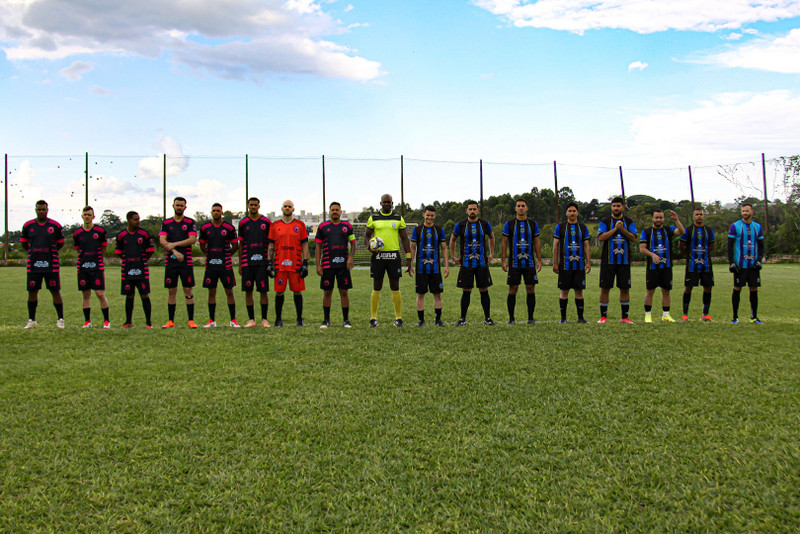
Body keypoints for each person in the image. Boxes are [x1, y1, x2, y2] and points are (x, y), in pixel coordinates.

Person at [364, 194, 412, 327]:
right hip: (378, 256)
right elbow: (367, 236)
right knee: (377, 286)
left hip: (393, 256)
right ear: (380, 203)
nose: (386, 204)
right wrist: (369, 247)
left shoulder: (398, 218)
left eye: (388, 202)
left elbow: (404, 239)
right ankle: (373, 318)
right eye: (384, 202)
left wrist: (408, 257)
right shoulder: (373, 218)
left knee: (395, 286)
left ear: (392, 203)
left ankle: (398, 318)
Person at [450, 200, 495, 326]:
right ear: (466, 211)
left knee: (484, 290)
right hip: (466, 264)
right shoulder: (460, 225)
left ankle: (488, 318)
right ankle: (462, 319)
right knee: (466, 290)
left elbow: (491, 236)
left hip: (481, 263)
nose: (472, 211)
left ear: (478, 210)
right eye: (470, 209)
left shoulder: (485, 224)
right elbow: (453, 239)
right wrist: (453, 255)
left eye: (475, 209)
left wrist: (491, 253)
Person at [21, 200, 65, 329]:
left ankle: (60, 319)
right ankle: (32, 320)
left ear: (47, 210)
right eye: (39, 209)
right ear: (36, 210)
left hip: (51, 264)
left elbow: (60, 243)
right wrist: (34, 251)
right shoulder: (28, 225)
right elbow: (24, 243)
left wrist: (50, 252)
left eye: (43, 209)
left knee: (55, 291)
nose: (41, 212)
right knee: (32, 292)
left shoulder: (55, 225)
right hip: (33, 264)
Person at [268, 200, 310, 327]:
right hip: (279, 265)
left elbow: (305, 244)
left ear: (293, 209)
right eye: (285, 206)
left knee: (297, 292)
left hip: (296, 265)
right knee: (279, 292)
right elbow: (271, 245)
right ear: (282, 208)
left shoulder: (300, 225)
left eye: (289, 206)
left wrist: (305, 262)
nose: (287, 208)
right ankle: (278, 319)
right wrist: (269, 262)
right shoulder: (274, 225)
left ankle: (299, 319)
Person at [315, 202, 356, 328]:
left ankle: (346, 320)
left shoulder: (347, 226)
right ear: (329, 212)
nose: (335, 212)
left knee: (344, 292)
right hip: (327, 265)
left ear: (340, 212)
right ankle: (326, 320)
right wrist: (318, 265)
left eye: (337, 210)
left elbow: (353, 243)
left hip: (343, 265)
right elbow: (318, 246)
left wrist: (350, 257)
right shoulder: (323, 226)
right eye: (332, 210)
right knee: (327, 292)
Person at [639, 209, 685, 323]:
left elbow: (682, 232)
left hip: (666, 266)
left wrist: (676, 220)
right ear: (652, 218)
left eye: (661, 217)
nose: (659, 219)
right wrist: (653, 255)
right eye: (657, 217)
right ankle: (648, 315)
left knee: (666, 291)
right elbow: (642, 249)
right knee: (650, 291)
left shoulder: (668, 229)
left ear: (663, 218)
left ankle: (666, 315)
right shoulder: (646, 232)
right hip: (652, 267)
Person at [500, 198, 541, 325]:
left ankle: (531, 318)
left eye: (523, 206)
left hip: (529, 263)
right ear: (515, 208)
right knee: (513, 289)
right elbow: (504, 243)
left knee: (530, 288)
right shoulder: (509, 224)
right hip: (514, 263)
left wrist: (539, 260)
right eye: (518, 206)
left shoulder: (533, 224)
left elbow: (537, 242)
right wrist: (503, 260)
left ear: (527, 208)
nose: (521, 208)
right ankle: (511, 319)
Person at [597, 197, 638, 324]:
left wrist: (622, 229)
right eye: (614, 206)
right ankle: (603, 317)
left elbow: (633, 238)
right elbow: (601, 237)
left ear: (623, 207)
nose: (616, 208)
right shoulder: (605, 221)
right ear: (611, 207)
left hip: (624, 261)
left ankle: (625, 317)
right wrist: (615, 229)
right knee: (605, 288)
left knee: (625, 288)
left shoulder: (629, 221)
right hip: (608, 261)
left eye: (618, 206)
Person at [159, 196, 198, 328]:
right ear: (173, 206)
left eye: (181, 205)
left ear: (185, 207)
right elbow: (162, 240)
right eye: (177, 205)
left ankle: (191, 320)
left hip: (186, 262)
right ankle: (170, 321)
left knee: (188, 289)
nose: (179, 207)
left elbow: (192, 239)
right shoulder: (166, 223)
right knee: (172, 290)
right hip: (171, 262)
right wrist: (174, 251)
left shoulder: (190, 222)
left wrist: (174, 244)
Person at [199, 203, 239, 328]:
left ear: (222, 212)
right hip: (211, 265)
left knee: (229, 291)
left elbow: (235, 246)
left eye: (218, 210)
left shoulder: (229, 228)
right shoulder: (205, 227)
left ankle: (233, 320)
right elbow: (202, 245)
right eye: (214, 210)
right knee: (212, 292)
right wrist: (209, 255)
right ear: (211, 212)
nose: (216, 212)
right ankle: (212, 320)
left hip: (225, 265)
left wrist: (226, 255)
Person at [409, 205, 449, 326]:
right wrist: (410, 264)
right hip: (421, 269)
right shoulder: (417, 230)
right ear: (424, 215)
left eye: (432, 215)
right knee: (420, 294)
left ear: (435, 216)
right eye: (428, 215)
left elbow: (444, 248)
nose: (429, 217)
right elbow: (412, 247)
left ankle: (438, 320)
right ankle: (421, 320)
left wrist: (446, 266)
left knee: (437, 294)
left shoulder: (439, 230)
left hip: (435, 269)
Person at [552, 202, 592, 323]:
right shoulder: (560, 227)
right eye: (570, 211)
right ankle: (563, 318)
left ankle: (581, 318)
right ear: (566, 213)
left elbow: (586, 246)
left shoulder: (583, 228)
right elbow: (555, 246)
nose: (572, 213)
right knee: (564, 291)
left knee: (579, 291)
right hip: (565, 266)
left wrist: (588, 262)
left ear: (577, 213)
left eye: (574, 211)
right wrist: (555, 263)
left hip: (579, 266)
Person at [72, 206, 110, 329]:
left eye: (89, 215)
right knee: (86, 294)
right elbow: (78, 249)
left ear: (93, 216)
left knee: (99, 293)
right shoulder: (77, 233)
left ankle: (106, 321)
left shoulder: (100, 231)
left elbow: (104, 248)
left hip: (97, 267)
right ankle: (87, 321)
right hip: (83, 267)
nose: (87, 217)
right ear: (82, 216)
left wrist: (96, 259)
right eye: (85, 215)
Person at [115, 211, 154, 328]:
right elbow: (118, 252)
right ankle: (128, 321)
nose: (138, 221)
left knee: (144, 295)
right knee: (129, 295)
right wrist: (127, 260)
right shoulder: (121, 235)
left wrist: (142, 260)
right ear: (129, 220)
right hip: (127, 269)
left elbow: (150, 250)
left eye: (138, 219)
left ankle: (148, 323)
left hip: (141, 269)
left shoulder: (144, 234)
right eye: (135, 219)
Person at [728, 202, 765, 324]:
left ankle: (754, 317)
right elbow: (730, 246)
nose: (745, 213)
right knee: (737, 288)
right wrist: (732, 262)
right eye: (743, 211)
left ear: (752, 212)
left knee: (753, 289)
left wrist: (759, 260)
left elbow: (761, 246)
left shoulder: (757, 227)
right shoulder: (735, 226)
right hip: (740, 265)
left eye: (747, 211)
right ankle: (735, 317)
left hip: (753, 265)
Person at [238, 197, 272, 327]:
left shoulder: (266, 222)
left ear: (259, 206)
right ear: (248, 206)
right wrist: (240, 263)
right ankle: (251, 319)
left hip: (262, 262)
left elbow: (270, 243)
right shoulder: (243, 223)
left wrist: (270, 261)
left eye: (255, 205)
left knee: (263, 290)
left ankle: (264, 319)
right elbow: (241, 244)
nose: (253, 207)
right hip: (247, 262)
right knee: (248, 290)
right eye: (251, 205)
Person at [679, 207, 715, 322]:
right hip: (692, 265)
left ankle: (705, 314)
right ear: (693, 217)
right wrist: (688, 255)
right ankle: (685, 314)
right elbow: (681, 245)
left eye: (701, 214)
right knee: (688, 288)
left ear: (704, 216)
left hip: (706, 265)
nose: (699, 216)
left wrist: (704, 254)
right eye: (697, 214)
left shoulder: (709, 230)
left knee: (708, 288)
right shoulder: (688, 230)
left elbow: (711, 245)